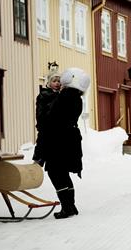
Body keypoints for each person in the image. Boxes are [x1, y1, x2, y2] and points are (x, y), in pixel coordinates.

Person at [43, 68, 90, 219]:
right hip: (70, 138)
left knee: (56, 172)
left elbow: (52, 117)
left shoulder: (65, 96)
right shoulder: (78, 98)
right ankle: (71, 205)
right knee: (63, 173)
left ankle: (67, 207)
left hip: (59, 139)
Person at [32, 71, 61, 166]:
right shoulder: (44, 95)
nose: (57, 83)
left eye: (59, 81)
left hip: (57, 129)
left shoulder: (61, 95)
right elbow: (39, 112)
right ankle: (37, 163)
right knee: (42, 145)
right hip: (46, 126)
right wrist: (41, 125)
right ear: (49, 82)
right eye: (54, 81)